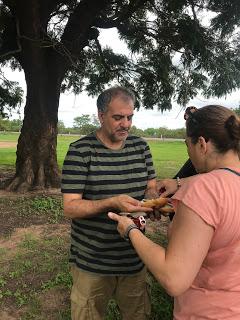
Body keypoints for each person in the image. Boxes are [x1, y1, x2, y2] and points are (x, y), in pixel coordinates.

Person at [109, 105, 240, 319]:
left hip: (208, 312)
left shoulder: (204, 190)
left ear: (202, 144)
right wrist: (178, 193)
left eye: (187, 145)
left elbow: (174, 278)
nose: (188, 152)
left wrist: (131, 229)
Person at [61, 86, 158, 320]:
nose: (125, 123)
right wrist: (112, 202)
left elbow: (151, 186)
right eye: (118, 117)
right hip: (92, 262)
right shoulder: (81, 151)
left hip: (134, 258)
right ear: (101, 115)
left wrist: (153, 202)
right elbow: (70, 207)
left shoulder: (141, 147)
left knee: (138, 315)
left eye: (129, 117)